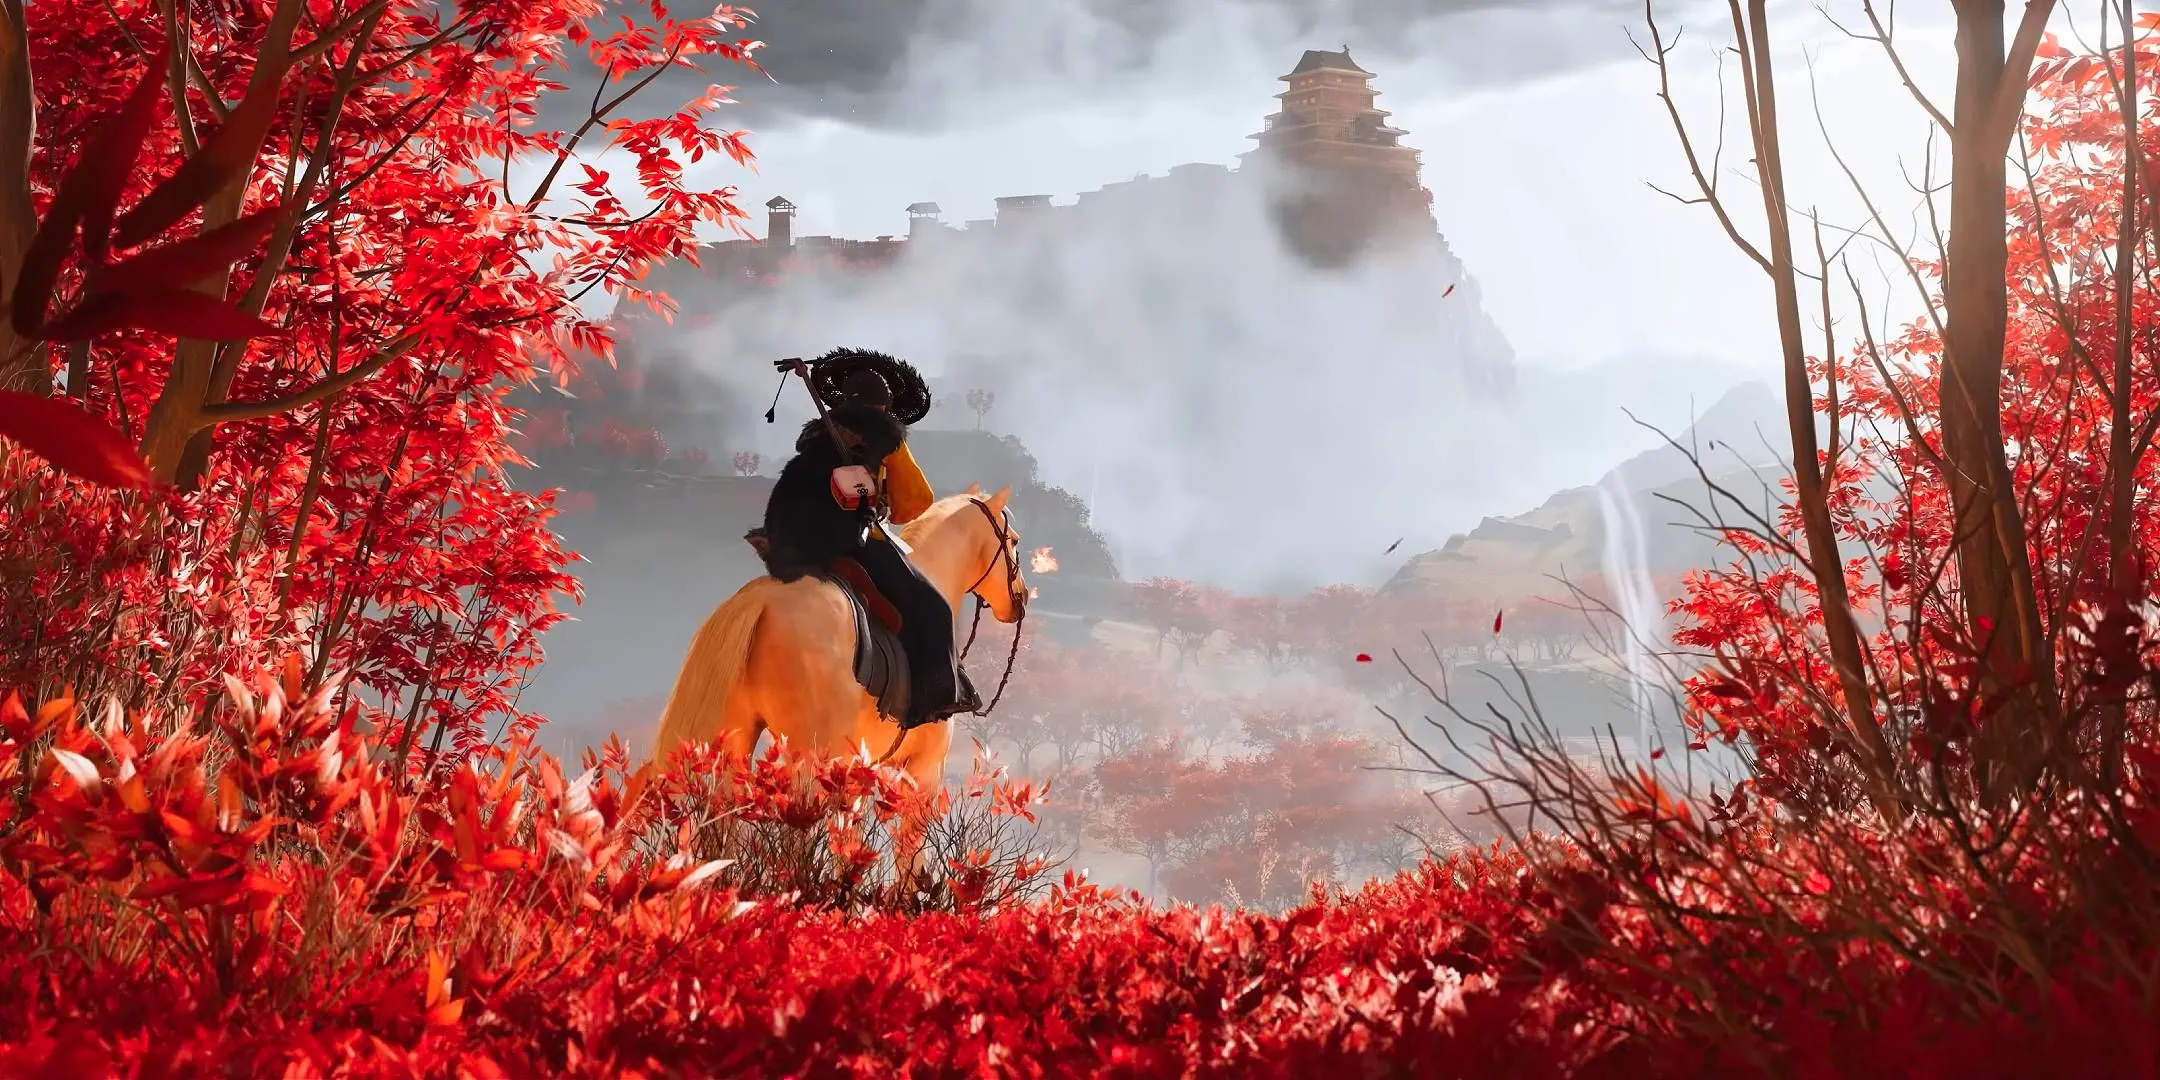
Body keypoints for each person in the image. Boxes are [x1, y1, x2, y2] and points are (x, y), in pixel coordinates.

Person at [754, 349, 974, 730]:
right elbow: (917, 500)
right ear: (884, 406)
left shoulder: (821, 433)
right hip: (851, 539)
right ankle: (930, 699)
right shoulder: (887, 437)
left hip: (794, 541)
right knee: (934, 609)